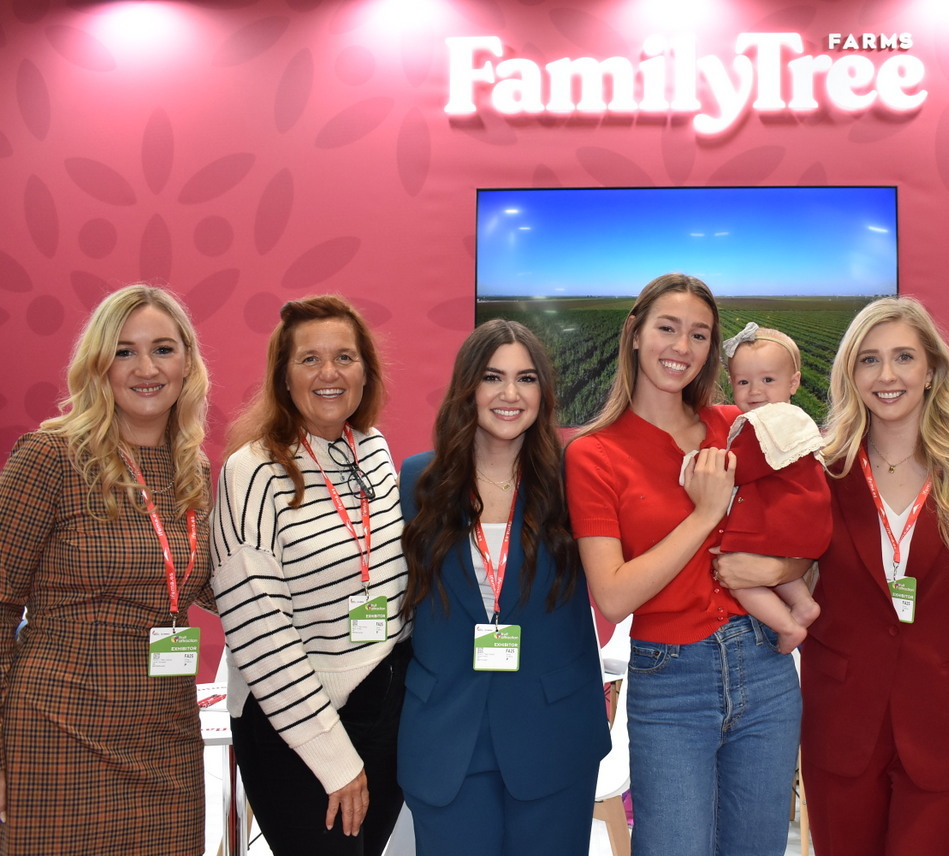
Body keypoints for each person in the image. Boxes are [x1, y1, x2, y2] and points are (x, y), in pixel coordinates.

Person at [565, 273, 806, 856]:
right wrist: (704, 515)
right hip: (671, 679)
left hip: (765, 666)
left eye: (699, 335)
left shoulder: (739, 425)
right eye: (667, 328)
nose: (682, 347)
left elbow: (804, 523)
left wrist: (775, 573)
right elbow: (613, 596)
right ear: (634, 332)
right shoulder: (594, 453)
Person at [0, 284, 213, 855]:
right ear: (99, 365)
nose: (146, 368)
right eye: (124, 351)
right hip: (58, 732)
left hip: (167, 736)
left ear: (187, 362)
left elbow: (226, 586)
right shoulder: (50, 457)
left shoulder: (193, 470)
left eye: (163, 349)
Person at [801, 296, 949, 856]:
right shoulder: (818, 472)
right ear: (850, 375)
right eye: (869, 360)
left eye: (903, 357)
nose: (887, 375)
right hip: (843, 728)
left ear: (931, 370)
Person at [397, 320, 609, 855]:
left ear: (544, 391)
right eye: (493, 377)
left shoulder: (574, 478)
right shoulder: (418, 481)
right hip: (447, 735)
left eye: (526, 378)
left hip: (553, 732)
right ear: (467, 386)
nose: (510, 394)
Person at [211, 295, 411, 856]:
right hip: (296, 724)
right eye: (310, 359)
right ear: (284, 376)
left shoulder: (371, 449)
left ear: (365, 372)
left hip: (383, 710)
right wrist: (333, 758)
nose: (329, 373)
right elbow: (258, 632)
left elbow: (392, 582)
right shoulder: (253, 471)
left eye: (345, 357)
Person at [712, 321, 829, 653]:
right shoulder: (796, 417)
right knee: (772, 562)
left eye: (767, 380)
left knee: (739, 577)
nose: (755, 392)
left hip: (779, 519)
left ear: (793, 382)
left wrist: (701, 464)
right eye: (743, 382)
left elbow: (737, 469)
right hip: (804, 521)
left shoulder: (768, 422)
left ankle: (788, 626)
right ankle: (803, 604)